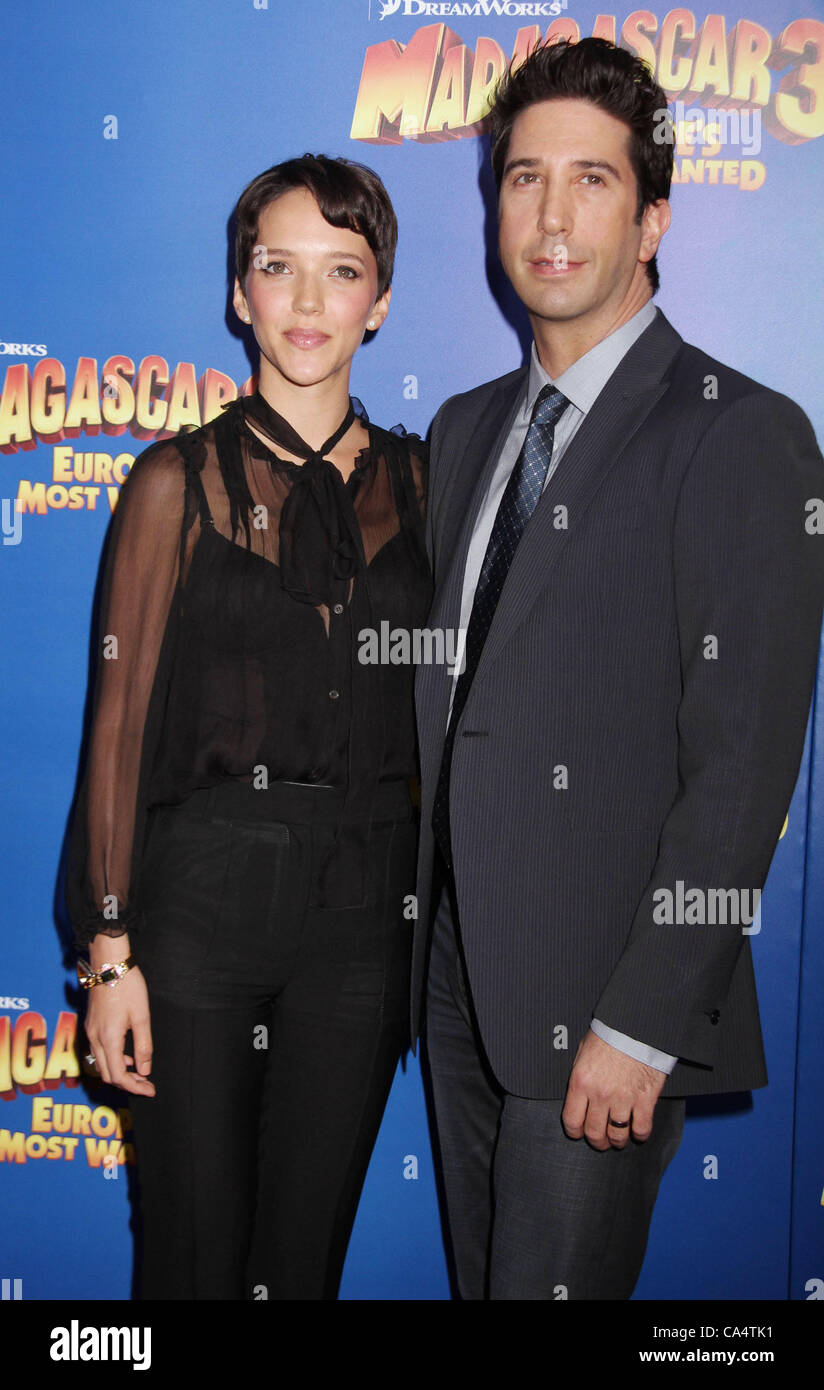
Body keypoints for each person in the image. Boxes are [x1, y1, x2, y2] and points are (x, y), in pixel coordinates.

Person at [411, 37, 824, 1300]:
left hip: (604, 1008)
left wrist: (641, 1020)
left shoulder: (739, 431)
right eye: (522, 177)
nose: (547, 215)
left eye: (589, 181)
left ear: (649, 218)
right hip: (454, 986)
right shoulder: (466, 427)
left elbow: (742, 769)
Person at [66, 154, 431, 1300]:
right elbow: (117, 725)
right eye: (280, 268)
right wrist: (110, 950)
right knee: (188, 1257)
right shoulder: (173, 481)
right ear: (240, 291)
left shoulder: (431, 485)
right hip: (200, 910)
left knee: (300, 1267)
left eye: (342, 272)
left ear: (380, 301)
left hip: (364, 920)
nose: (310, 303)